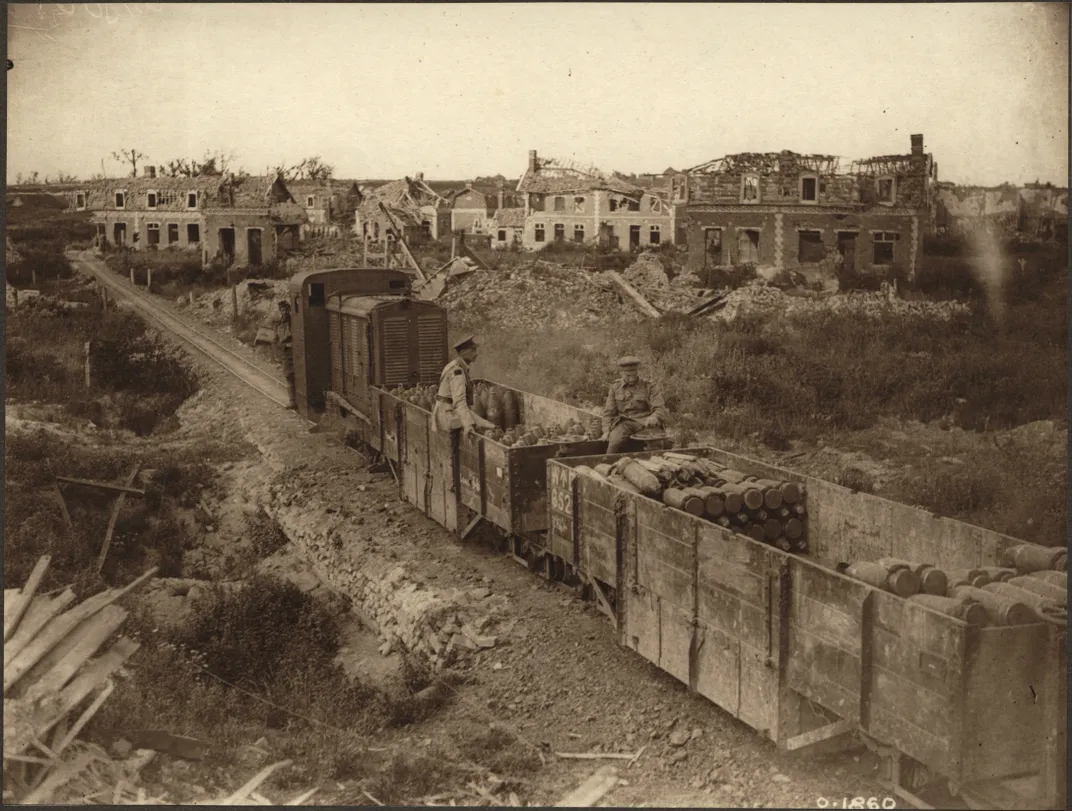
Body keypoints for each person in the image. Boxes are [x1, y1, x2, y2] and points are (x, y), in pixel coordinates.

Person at [601, 356, 669, 454]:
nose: (632, 378)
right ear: (621, 373)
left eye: (634, 374)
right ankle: (610, 465)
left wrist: (654, 417)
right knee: (614, 445)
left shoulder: (649, 386)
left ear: (637, 371)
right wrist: (606, 431)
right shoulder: (615, 387)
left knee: (659, 444)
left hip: (645, 423)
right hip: (624, 423)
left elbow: (659, 407)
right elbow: (608, 412)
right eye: (628, 375)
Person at [432, 335, 496, 436]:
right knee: (480, 429)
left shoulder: (454, 364)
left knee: (490, 426)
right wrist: (467, 425)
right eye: (473, 350)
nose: (476, 354)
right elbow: (459, 401)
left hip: (449, 410)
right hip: (447, 415)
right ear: (463, 353)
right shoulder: (457, 371)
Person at [275, 299, 296, 409]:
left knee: (295, 376)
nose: (284, 312)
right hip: (286, 352)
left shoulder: (294, 321)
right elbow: (278, 338)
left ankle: (295, 401)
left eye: (286, 309)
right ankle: (292, 401)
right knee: (288, 376)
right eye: (282, 310)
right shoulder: (280, 322)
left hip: (294, 351)